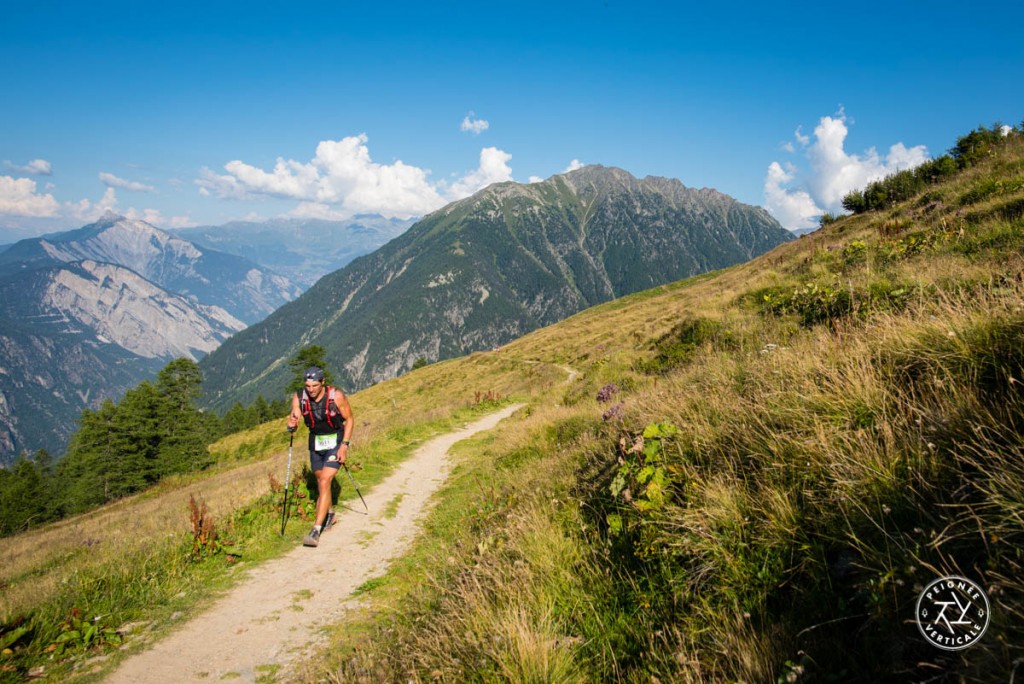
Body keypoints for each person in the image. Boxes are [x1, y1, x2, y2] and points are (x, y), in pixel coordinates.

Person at [287, 366, 354, 547]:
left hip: (336, 441)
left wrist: (344, 447)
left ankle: (316, 530)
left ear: (323, 382)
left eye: (315, 386)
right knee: (320, 480)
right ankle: (329, 514)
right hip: (316, 442)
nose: (311, 390)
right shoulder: (299, 398)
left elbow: (349, 419)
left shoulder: (336, 396)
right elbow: (294, 418)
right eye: (308, 386)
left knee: (325, 481)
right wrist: (291, 424)